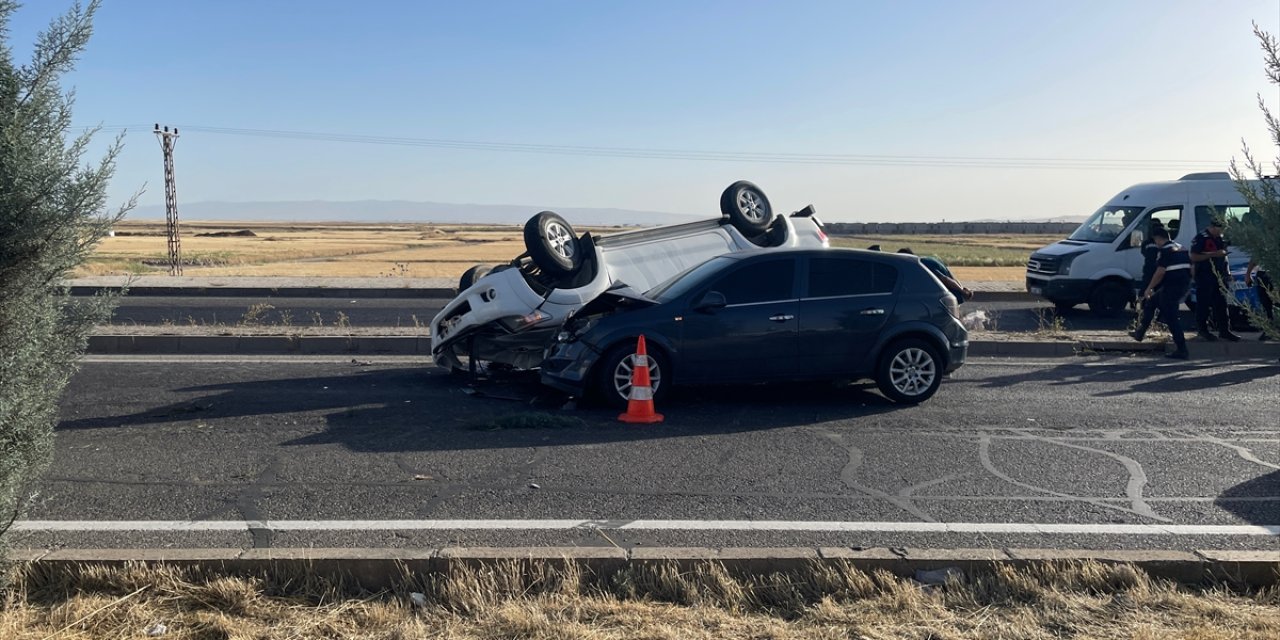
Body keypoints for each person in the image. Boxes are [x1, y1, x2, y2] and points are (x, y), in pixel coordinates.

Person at [1130, 226, 1191, 359]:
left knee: (1172, 318)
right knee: (1151, 303)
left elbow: (1160, 271)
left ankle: (1182, 349)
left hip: (1171, 287)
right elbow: (1192, 267)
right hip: (1181, 285)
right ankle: (1140, 332)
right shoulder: (1182, 248)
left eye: (1156, 240)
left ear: (1158, 239)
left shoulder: (1164, 250)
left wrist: (1149, 287)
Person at [1189, 217, 1241, 342]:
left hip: (1219, 276)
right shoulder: (1201, 238)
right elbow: (1194, 256)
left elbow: (1224, 256)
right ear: (1213, 227)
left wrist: (1227, 272)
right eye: (1219, 229)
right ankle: (1203, 330)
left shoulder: (1219, 238)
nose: (1221, 232)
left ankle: (1224, 330)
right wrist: (1213, 254)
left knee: (1221, 304)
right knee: (1204, 304)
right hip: (1204, 275)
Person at [897, 248, 972, 303]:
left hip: (951, 298)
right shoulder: (926, 260)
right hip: (953, 297)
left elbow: (945, 279)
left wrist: (963, 292)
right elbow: (950, 277)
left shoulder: (923, 265)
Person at [1133, 221, 1165, 330]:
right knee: (1161, 298)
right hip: (1161, 273)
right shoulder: (1165, 244)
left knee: (1144, 296)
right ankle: (1159, 321)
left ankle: (1140, 319)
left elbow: (1144, 254)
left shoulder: (1147, 243)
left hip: (1149, 273)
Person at [1245, 258, 1275, 341]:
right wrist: (1248, 274)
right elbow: (1255, 255)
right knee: (1266, 303)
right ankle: (1269, 330)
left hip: (1275, 271)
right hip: (1263, 273)